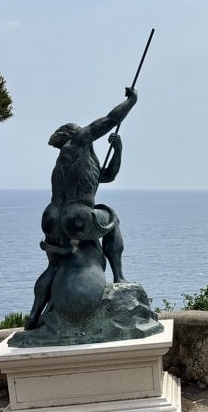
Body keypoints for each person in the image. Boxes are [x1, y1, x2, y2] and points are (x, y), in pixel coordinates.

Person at [24, 87, 138, 330]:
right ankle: (119, 275)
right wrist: (131, 100)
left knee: (53, 265)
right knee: (112, 218)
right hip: (76, 216)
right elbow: (111, 119)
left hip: (51, 217)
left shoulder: (68, 163)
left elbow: (107, 176)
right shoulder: (77, 142)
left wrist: (118, 151)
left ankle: (34, 315)